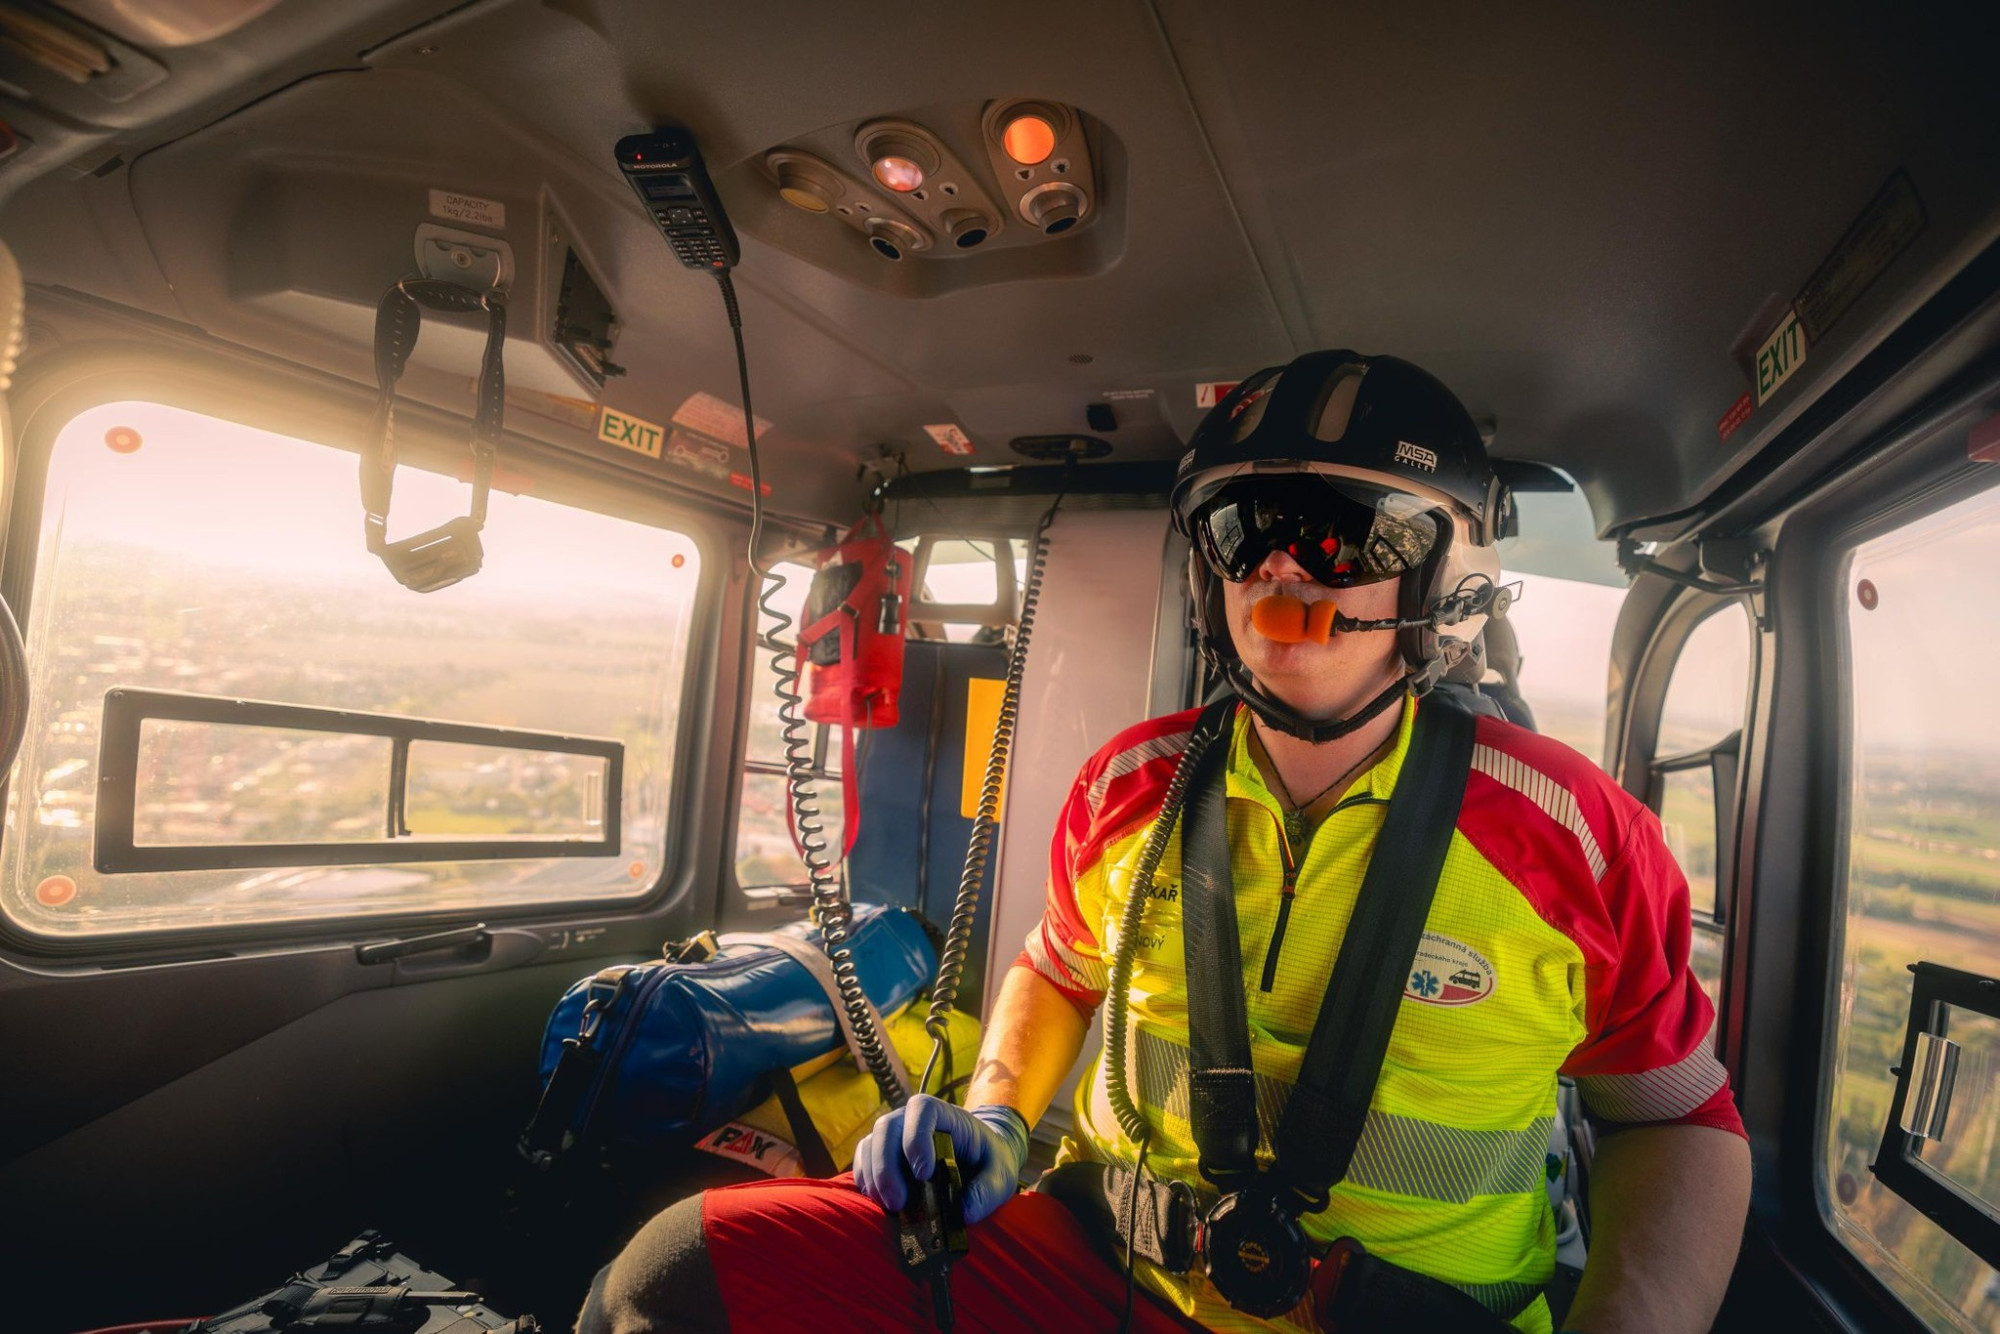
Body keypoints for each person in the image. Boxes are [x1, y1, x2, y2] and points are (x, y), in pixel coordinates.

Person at [583, 350, 1751, 1334]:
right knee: (673, 1273)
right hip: (1108, 1272)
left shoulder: (1574, 833)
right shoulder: (1128, 783)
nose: (1279, 568)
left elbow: (1675, 1118)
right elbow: (1055, 967)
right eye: (1243, 531)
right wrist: (996, 1114)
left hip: (1408, 1315)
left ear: (1449, 582)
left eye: (1343, 535)